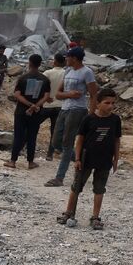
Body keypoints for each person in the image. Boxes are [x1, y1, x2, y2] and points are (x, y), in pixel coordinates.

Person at [56, 89, 120, 230]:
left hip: (104, 160)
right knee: (76, 186)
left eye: (113, 103)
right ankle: (69, 212)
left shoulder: (115, 120)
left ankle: (95, 217)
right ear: (98, 103)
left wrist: (116, 159)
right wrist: (77, 158)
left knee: (99, 189)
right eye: (107, 103)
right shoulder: (89, 119)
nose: (110, 106)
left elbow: (116, 140)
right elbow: (79, 140)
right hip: (86, 159)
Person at [46, 47, 99, 187]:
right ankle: (78, 159)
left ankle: (59, 178)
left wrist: (92, 115)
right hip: (64, 109)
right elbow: (58, 94)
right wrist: (69, 94)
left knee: (67, 142)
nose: (66, 60)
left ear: (74, 58)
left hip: (78, 110)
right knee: (55, 141)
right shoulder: (68, 71)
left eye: (68, 57)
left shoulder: (87, 72)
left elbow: (94, 94)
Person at [4, 54, 50, 169]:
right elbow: (46, 96)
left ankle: (13, 161)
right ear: (40, 64)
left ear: (29, 63)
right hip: (36, 113)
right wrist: (35, 106)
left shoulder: (23, 78)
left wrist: (29, 104)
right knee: (32, 137)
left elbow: (17, 95)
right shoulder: (45, 80)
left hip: (21, 112)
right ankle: (30, 162)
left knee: (18, 136)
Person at [43, 53, 67, 161]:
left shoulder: (47, 73)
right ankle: (49, 154)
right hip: (60, 106)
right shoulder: (66, 74)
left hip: (46, 104)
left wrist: (45, 97)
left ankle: (22, 146)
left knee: (33, 125)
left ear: (55, 61)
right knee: (55, 131)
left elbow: (41, 86)